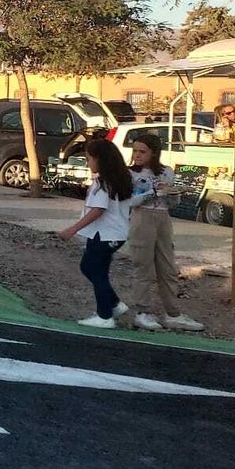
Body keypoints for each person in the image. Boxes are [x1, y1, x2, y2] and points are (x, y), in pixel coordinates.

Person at [125, 134, 204, 332]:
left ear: (154, 152)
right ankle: (141, 312)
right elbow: (130, 201)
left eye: (142, 151)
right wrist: (154, 193)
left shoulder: (166, 172)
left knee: (167, 267)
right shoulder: (130, 173)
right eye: (135, 151)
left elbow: (172, 203)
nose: (137, 155)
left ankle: (173, 313)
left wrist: (173, 193)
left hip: (163, 219)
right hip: (141, 218)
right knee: (143, 266)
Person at [58, 137, 135, 328]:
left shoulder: (103, 184)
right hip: (109, 234)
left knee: (97, 272)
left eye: (90, 158)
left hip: (105, 234)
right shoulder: (119, 180)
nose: (88, 162)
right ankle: (114, 304)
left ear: (101, 159)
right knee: (89, 267)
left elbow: (98, 210)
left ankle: (104, 316)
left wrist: (73, 229)